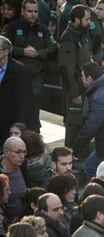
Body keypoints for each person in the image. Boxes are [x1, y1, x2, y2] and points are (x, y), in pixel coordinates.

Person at [2, 0, 53, 132]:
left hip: (36, 74)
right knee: (14, 104)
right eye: (30, 11)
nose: (33, 14)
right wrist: (21, 51)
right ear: (23, 12)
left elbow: (53, 48)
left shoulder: (44, 30)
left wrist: (38, 53)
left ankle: (33, 133)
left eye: (35, 11)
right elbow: (3, 47)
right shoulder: (11, 27)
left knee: (34, 104)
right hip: (14, 75)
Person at [58, 4, 93, 149]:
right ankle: (70, 154)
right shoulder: (69, 39)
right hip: (77, 91)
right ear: (76, 20)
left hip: (85, 88)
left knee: (82, 123)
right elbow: (66, 70)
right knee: (74, 124)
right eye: (86, 19)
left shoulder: (80, 35)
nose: (89, 22)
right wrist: (74, 93)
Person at [0, 35, 36, 146]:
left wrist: (18, 126)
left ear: (6, 52)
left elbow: (24, 102)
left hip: (10, 126)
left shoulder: (19, 70)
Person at [1, 137, 27, 222]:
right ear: (7, 152)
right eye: (18, 152)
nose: (22, 156)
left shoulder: (24, 166)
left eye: (24, 152)